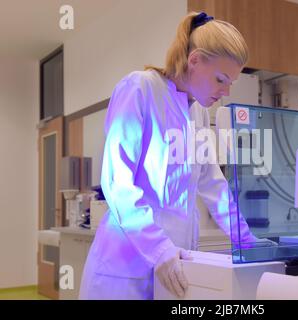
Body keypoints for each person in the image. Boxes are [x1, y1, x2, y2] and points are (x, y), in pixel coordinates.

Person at [79, 11, 262, 300]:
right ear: (194, 60)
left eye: (231, 83)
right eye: (220, 79)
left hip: (175, 270)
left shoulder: (198, 112)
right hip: (124, 272)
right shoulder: (140, 88)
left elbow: (214, 185)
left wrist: (250, 243)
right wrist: (159, 248)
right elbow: (118, 182)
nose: (225, 92)